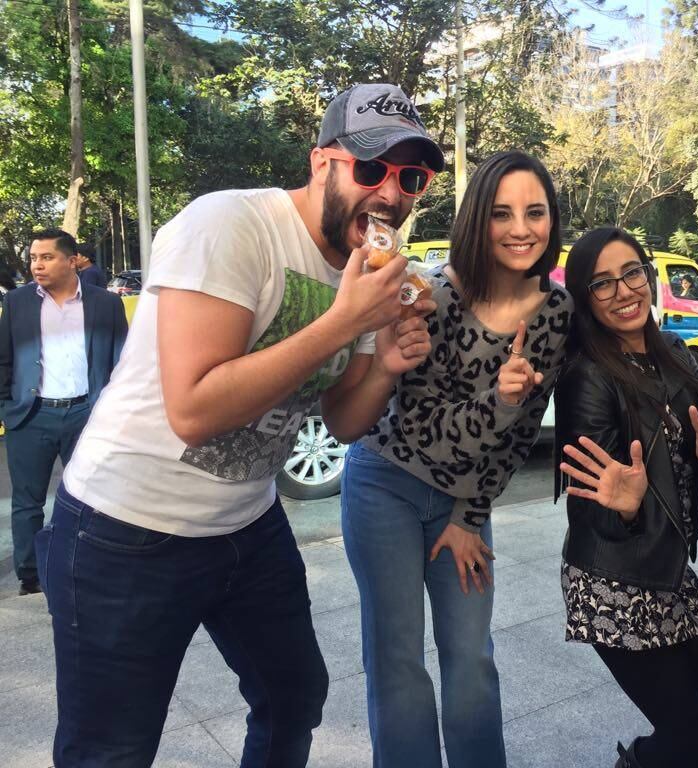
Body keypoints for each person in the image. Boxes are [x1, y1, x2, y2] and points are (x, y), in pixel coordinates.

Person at [40, 83, 442, 767]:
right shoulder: (230, 224)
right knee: (110, 751)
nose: (389, 194)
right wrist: (344, 321)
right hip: (125, 527)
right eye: (371, 167)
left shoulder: (368, 274)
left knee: (294, 698)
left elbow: (344, 422)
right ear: (322, 162)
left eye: (410, 179)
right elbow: (193, 411)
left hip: (247, 525)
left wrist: (384, 365)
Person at [341, 150, 573, 768]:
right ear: (477, 220)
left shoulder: (556, 312)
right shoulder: (433, 296)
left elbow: (521, 437)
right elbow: (426, 428)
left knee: (471, 661)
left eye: (535, 212)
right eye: (501, 213)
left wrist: (469, 516)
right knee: (396, 662)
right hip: (385, 482)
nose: (520, 229)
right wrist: (500, 401)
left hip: (464, 501)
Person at [554, 228, 698, 768]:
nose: (623, 291)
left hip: (669, 569)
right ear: (585, 297)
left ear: (649, 275)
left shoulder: (674, 355)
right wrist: (627, 506)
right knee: (685, 740)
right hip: (612, 581)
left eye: (631, 273)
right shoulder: (587, 377)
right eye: (602, 283)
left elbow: (697, 458)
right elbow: (591, 505)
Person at [0, 228, 127, 596]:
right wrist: (7, 407)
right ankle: (31, 577)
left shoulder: (106, 304)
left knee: (90, 498)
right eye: (33, 258)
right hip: (31, 415)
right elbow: (4, 358)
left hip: (87, 415)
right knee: (27, 503)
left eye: (46, 257)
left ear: (71, 261)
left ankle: (83, 567)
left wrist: (114, 413)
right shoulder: (18, 302)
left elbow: (123, 362)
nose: (37, 265)